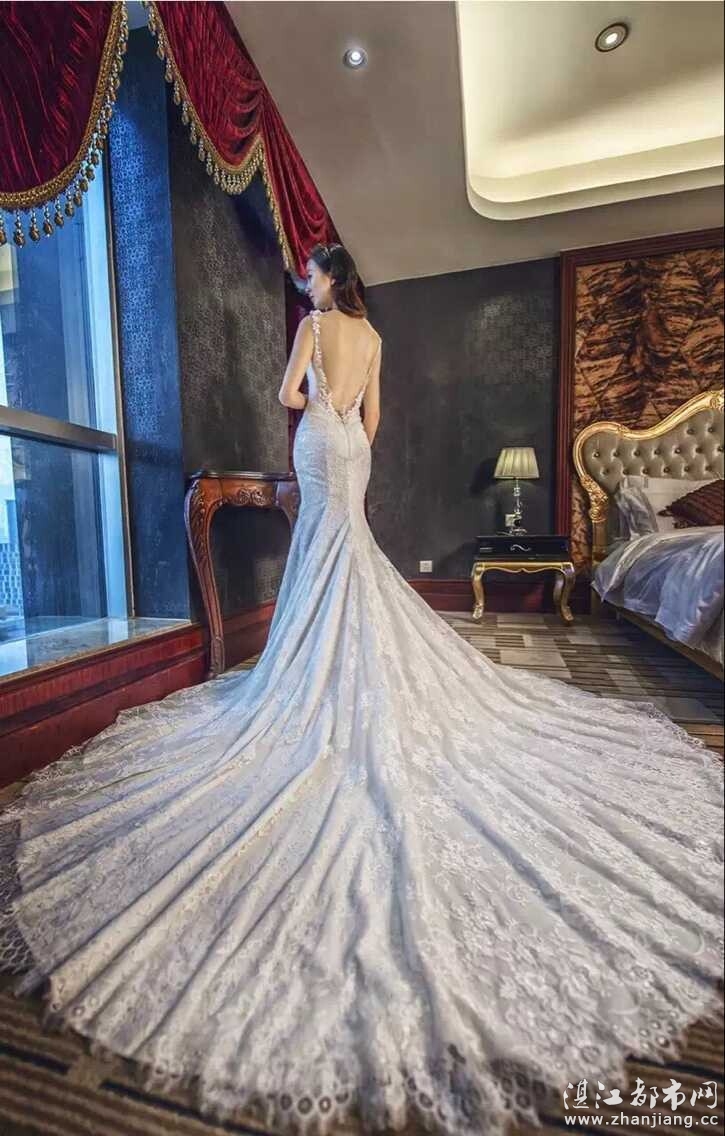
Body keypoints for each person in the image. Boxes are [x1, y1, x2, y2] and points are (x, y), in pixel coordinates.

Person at [0, 242, 722, 1136]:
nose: (303, 280)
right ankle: (339, 651)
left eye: (309, 271)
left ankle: (314, 663)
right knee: (348, 549)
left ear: (325, 277)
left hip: (317, 441)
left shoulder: (314, 325)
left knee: (322, 552)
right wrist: (345, 421)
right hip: (352, 449)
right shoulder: (372, 335)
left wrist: (316, 401)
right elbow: (374, 420)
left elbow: (286, 397)